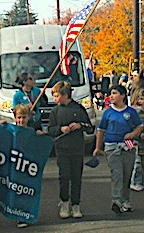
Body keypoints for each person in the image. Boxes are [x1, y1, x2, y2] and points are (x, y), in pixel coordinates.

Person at [92, 84, 143, 214]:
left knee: (127, 174)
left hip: (128, 145)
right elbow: (101, 130)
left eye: (114, 93)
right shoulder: (108, 112)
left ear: (123, 96)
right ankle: (116, 200)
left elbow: (139, 126)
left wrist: (132, 134)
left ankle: (125, 200)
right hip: (111, 146)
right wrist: (98, 147)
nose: (112, 96)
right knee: (117, 174)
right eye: (111, 94)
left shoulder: (131, 112)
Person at [48, 81, 94, 220]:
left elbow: (90, 127)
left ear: (65, 94)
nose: (55, 99)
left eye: (57, 95)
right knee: (64, 177)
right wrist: (60, 129)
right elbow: (50, 129)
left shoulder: (79, 109)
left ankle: (76, 204)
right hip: (62, 148)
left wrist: (80, 125)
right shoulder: (55, 111)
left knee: (76, 177)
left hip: (77, 149)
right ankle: (64, 202)